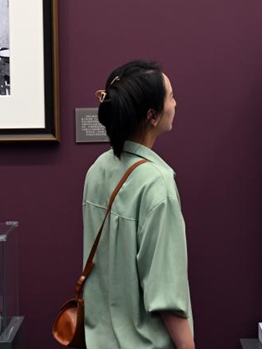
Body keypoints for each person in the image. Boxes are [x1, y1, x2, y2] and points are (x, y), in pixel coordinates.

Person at [83, 61, 194, 349]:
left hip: (98, 339)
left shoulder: (98, 168)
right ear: (152, 116)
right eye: (170, 96)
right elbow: (165, 292)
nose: (175, 103)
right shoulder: (157, 183)